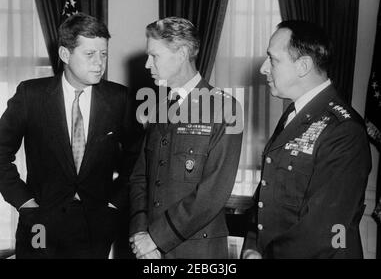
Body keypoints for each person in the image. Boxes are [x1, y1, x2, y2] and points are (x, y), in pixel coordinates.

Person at [0, 13, 139, 258]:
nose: (99, 63)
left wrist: (113, 203)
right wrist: (26, 204)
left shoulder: (119, 99)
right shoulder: (30, 95)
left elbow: (137, 159)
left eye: (104, 54)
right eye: (90, 54)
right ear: (65, 54)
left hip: (95, 228)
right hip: (39, 225)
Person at [242, 20, 372, 259]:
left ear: (303, 66)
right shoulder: (294, 115)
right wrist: (252, 246)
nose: (263, 68)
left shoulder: (343, 130)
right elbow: (266, 193)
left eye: (273, 59)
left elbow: (323, 229)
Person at [128, 17, 243, 259]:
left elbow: (213, 192)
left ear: (181, 54)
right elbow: (140, 177)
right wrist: (140, 234)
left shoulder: (226, 108)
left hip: (197, 252)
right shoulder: (157, 107)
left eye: (154, 56)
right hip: (148, 251)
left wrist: (156, 238)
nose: (148, 64)